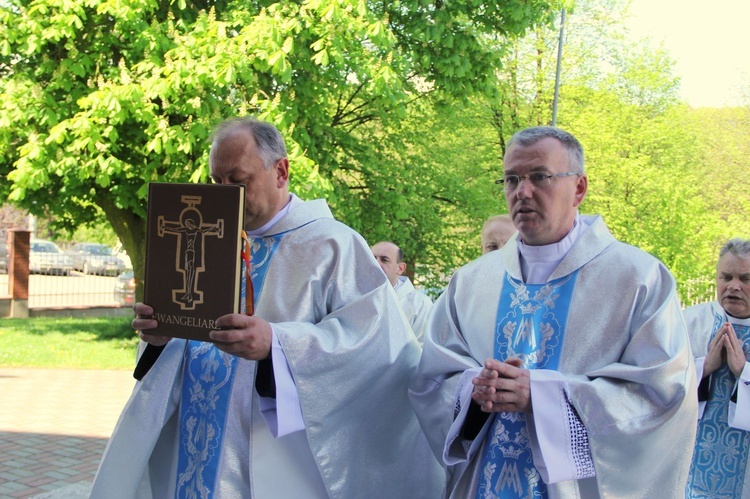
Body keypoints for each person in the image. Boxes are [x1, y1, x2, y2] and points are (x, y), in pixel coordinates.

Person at [91, 118, 444, 498]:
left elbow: (378, 350)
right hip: (193, 443)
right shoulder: (206, 237)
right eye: (216, 183)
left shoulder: (333, 246)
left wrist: (277, 344)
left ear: (281, 171)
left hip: (274, 463)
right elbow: (188, 345)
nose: (224, 196)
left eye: (237, 181)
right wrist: (161, 337)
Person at [409, 125, 697, 497]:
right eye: (511, 179)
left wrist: (542, 397)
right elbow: (432, 379)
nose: (522, 192)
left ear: (578, 188)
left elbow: (663, 395)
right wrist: (472, 393)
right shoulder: (471, 281)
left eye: (540, 177)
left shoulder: (638, 278)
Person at [684, 238, 750, 498]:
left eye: (745, 278)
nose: (733, 286)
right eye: (726, 277)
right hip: (691, 469)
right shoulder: (690, 322)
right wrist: (703, 368)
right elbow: (656, 386)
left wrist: (743, 372)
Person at [371, 240, 433, 344]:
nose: (376, 264)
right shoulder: (354, 297)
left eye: (384, 260)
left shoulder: (421, 304)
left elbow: (423, 347)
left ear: (400, 268)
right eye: (373, 258)